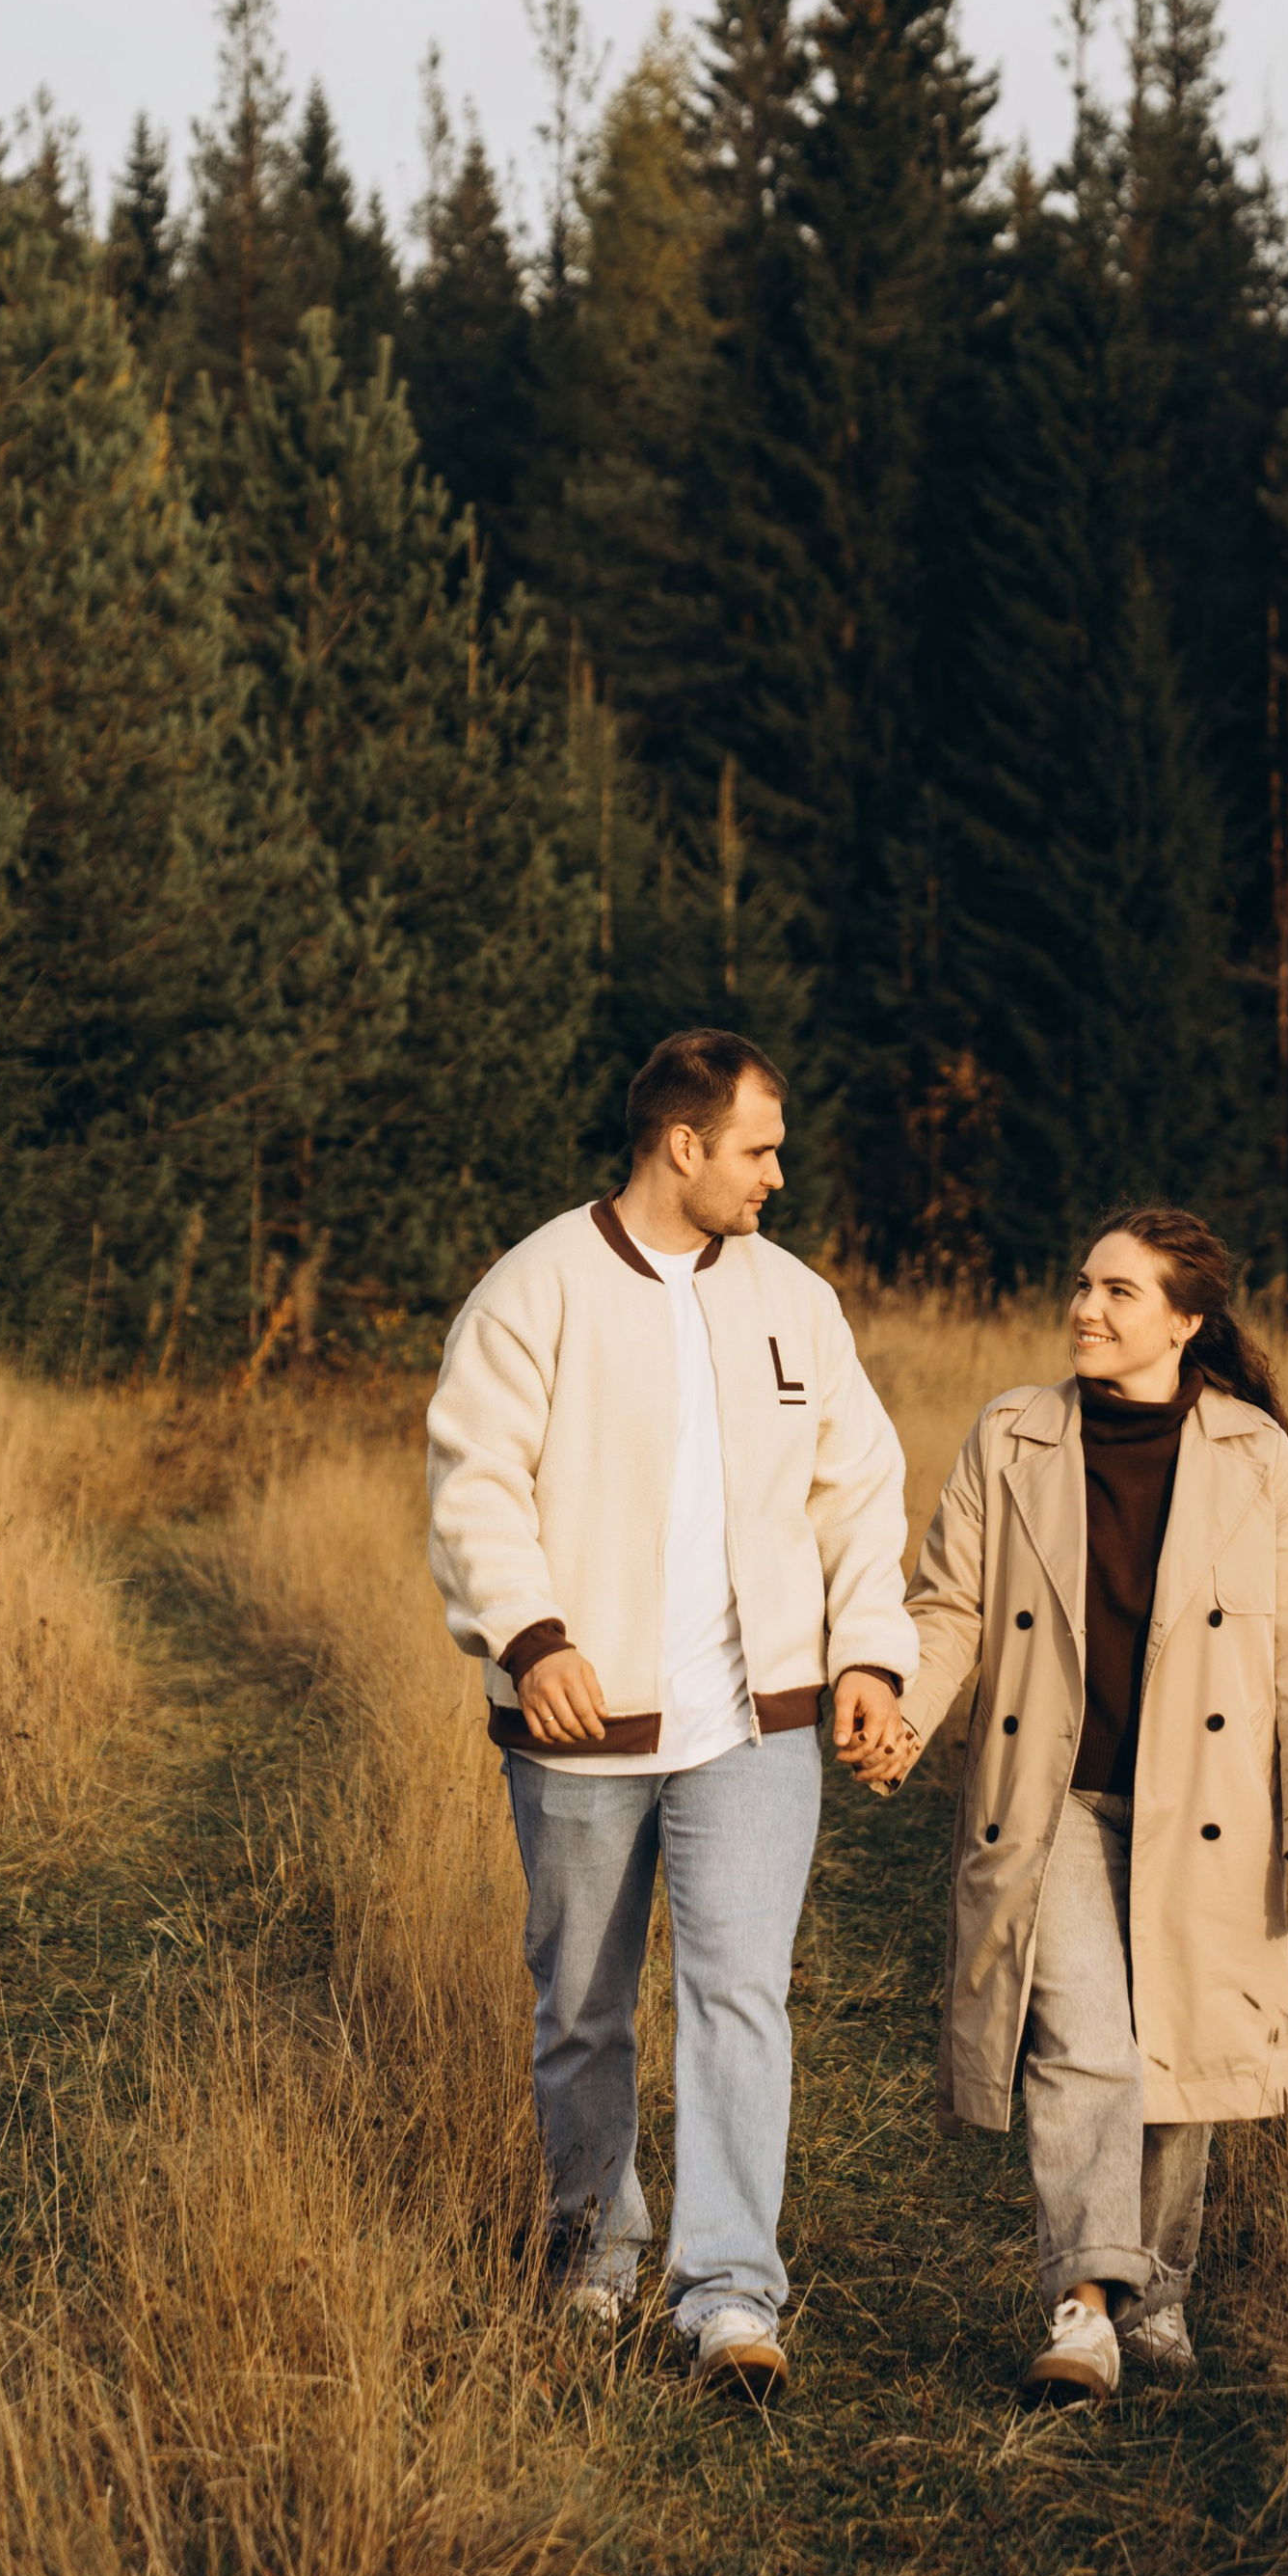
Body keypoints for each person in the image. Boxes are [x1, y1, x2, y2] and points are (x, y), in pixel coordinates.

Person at [424, 1026, 917, 2396]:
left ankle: (729, 2295)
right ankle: (594, 2251)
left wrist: (869, 1657)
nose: (777, 1176)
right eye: (759, 1149)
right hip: (580, 1727)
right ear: (682, 1144)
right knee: (584, 2006)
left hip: (754, 1730)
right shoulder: (535, 1288)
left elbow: (859, 1493)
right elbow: (473, 1483)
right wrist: (531, 1638)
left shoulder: (796, 1302)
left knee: (740, 1998)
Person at [864, 1207, 1288, 2400]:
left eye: (1118, 1292)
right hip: (1057, 1806)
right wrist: (905, 1714)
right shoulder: (1012, 1436)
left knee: (1180, 2056)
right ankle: (1085, 2309)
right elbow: (948, 1607)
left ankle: (1158, 2295)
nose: (1085, 1308)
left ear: (1184, 1322)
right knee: (1083, 2048)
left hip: (1209, 1816)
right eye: (1082, 1284)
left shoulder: (1256, 1458)